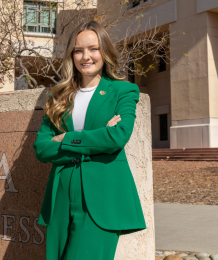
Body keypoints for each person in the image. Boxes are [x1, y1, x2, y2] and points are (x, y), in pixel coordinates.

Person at [33, 20, 147, 260]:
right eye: (78, 50)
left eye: (93, 48)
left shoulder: (123, 91)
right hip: (61, 195)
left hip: (101, 196)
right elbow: (42, 148)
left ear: (105, 51)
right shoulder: (58, 95)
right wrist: (95, 140)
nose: (86, 56)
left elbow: (117, 137)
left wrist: (66, 138)